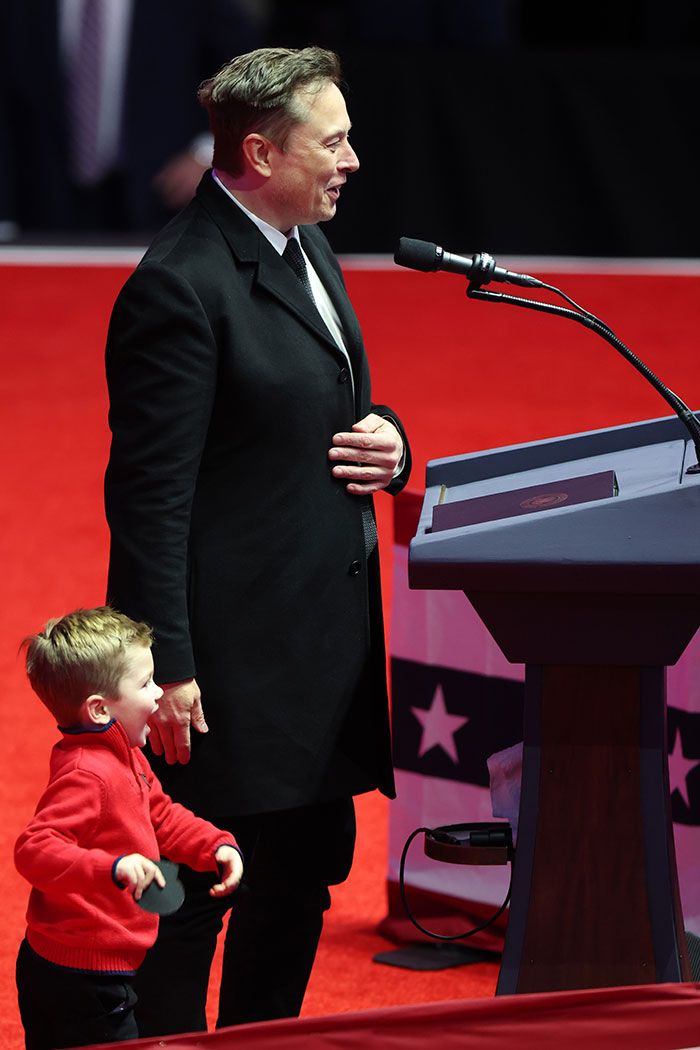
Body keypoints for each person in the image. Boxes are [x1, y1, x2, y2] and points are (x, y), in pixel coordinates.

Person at [103, 45, 412, 1034]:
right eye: (333, 141)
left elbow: (316, 399)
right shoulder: (180, 288)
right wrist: (169, 666)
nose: (352, 158)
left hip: (318, 646)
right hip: (229, 666)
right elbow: (146, 498)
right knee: (202, 890)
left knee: (300, 879)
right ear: (259, 153)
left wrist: (389, 439)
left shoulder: (300, 243)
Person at [14, 607, 244, 1050]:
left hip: (91, 967)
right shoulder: (88, 773)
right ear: (100, 709)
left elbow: (159, 813)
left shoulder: (124, 756)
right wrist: (112, 867)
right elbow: (35, 849)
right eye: (144, 684)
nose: (159, 693)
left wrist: (213, 845)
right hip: (82, 978)